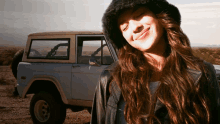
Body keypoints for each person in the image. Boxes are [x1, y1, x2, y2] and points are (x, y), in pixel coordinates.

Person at [90, 0, 220, 124]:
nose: (135, 27)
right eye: (125, 27)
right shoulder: (110, 79)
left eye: (140, 15)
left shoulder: (202, 73)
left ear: (160, 16)